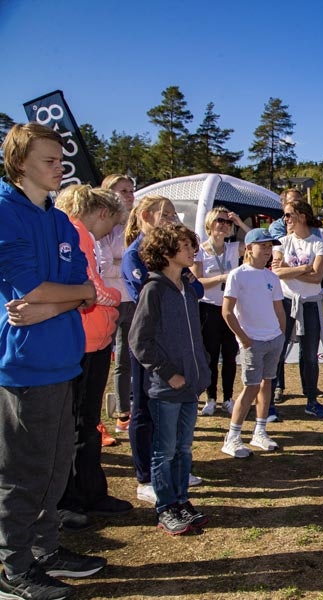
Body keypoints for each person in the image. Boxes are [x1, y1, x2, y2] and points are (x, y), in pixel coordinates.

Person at [0, 123, 107, 599]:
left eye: (62, 159)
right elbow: (34, 290)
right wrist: (68, 294)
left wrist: (63, 298)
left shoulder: (62, 221)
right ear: (20, 162)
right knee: (25, 473)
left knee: (56, 465)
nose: (60, 167)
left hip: (64, 360)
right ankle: (14, 566)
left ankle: (45, 550)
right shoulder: (6, 213)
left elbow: (83, 292)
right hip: (24, 366)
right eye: (49, 159)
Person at [54, 184, 133, 531]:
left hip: (95, 341)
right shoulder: (74, 235)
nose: (112, 230)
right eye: (113, 221)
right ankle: (70, 498)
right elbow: (93, 289)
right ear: (101, 214)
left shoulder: (85, 237)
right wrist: (114, 297)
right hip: (82, 343)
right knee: (75, 425)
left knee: (86, 423)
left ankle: (90, 491)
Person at [129, 224, 212, 535]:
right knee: (164, 450)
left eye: (192, 244)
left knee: (184, 448)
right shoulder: (153, 290)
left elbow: (194, 335)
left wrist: (200, 367)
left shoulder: (186, 289)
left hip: (190, 384)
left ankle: (181, 500)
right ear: (165, 252)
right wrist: (169, 373)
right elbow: (140, 342)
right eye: (185, 245)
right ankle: (166, 507)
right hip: (167, 388)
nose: (193, 250)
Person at [221, 228, 286, 458]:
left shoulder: (271, 277)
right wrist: (244, 338)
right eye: (263, 246)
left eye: (270, 246)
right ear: (249, 248)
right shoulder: (238, 275)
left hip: (272, 339)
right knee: (250, 387)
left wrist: (280, 334)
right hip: (252, 341)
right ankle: (233, 436)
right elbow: (227, 311)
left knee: (266, 384)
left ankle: (260, 431)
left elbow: (279, 309)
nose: (268, 251)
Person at [272, 200, 323, 418]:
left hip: (311, 303)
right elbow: (276, 272)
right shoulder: (282, 242)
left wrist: (292, 269)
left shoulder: (318, 243)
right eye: (284, 215)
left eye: (289, 215)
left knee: (309, 355)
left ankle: (311, 399)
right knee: (278, 349)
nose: (285, 220)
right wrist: (305, 267)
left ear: (302, 216)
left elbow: (317, 276)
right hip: (286, 302)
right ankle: (271, 398)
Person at [191, 206, 249, 416]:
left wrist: (240, 221)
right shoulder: (199, 250)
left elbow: (254, 242)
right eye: (220, 221)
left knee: (230, 354)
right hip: (208, 308)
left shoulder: (233, 248)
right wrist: (221, 278)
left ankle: (228, 398)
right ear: (210, 224)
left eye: (227, 222)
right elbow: (197, 282)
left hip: (231, 307)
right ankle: (210, 398)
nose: (224, 225)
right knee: (210, 356)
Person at [98, 173, 137, 435]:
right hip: (107, 302)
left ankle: (125, 412)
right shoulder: (104, 226)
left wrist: (119, 262)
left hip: (132, 300)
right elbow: (102, 266)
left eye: (131, 190)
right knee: (100, 360)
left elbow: (133, 264)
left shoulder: (135, 225)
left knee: (128, 358)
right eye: (123, 190)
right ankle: (96, 418)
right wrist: (124, 263)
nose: (129, 195)